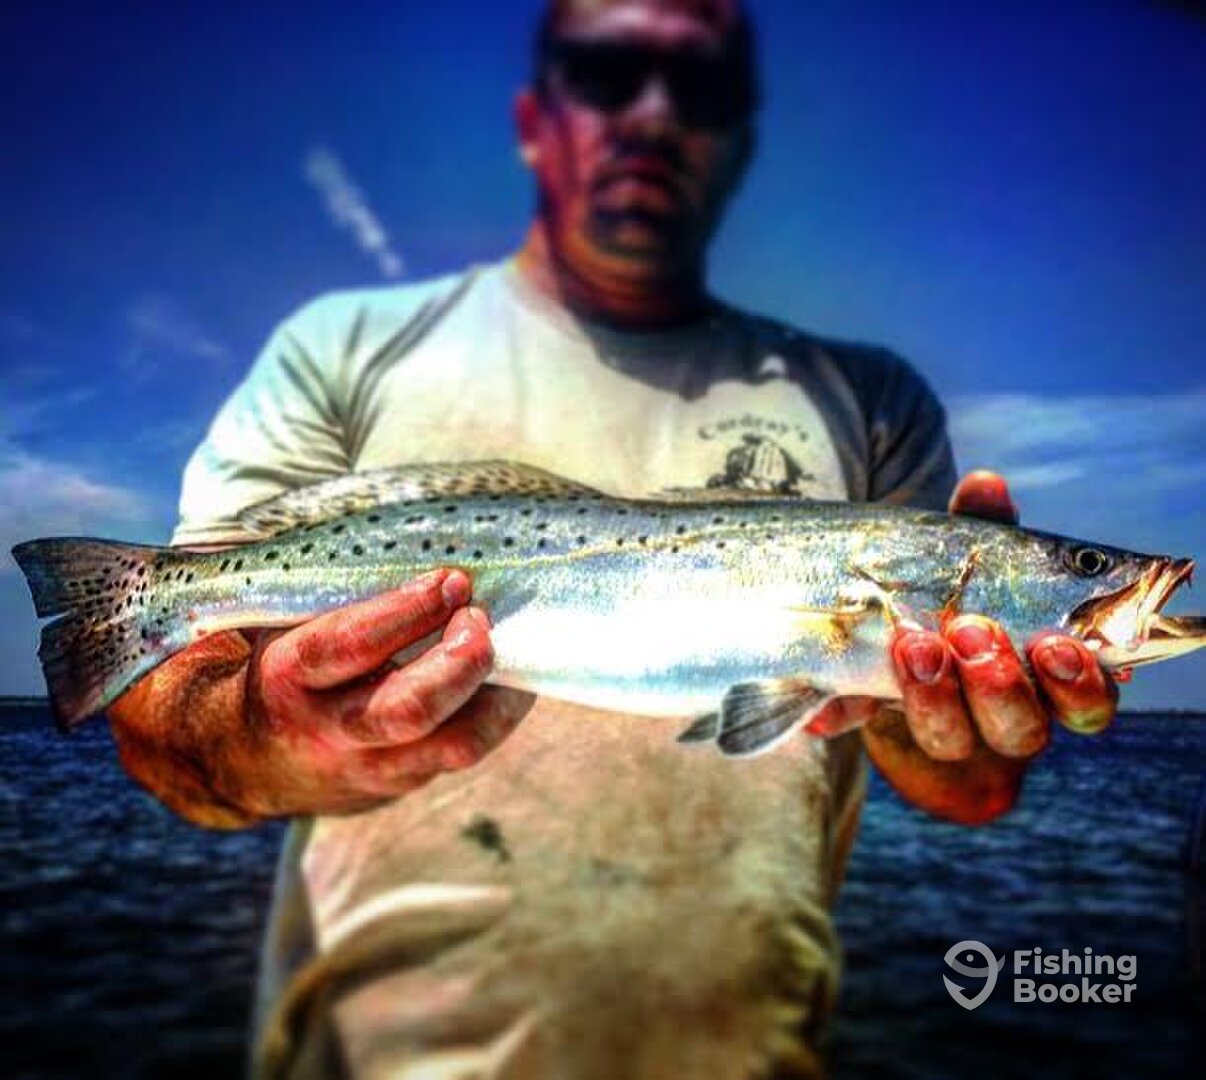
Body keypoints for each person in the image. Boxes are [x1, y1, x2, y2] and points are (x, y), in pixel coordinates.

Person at [108, 1, 1118, 1076]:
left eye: (703, 87)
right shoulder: (342, 348)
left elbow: (970, 788)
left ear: (744, 137)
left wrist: (948, 718)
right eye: (606, 72)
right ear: (531, 119)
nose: (653, 113)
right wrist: (260, 729)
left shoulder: (871, 399)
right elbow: (163, 724)